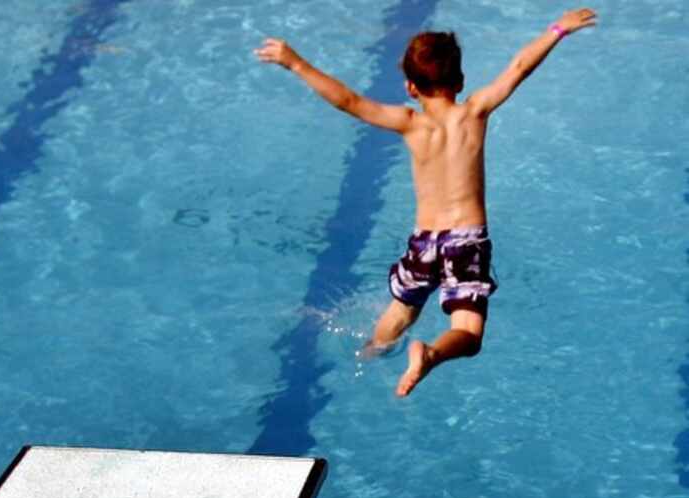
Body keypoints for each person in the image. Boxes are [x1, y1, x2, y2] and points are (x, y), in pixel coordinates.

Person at [255, 9, 597, 397]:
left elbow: (348, 100)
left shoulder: (408, 122)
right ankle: (430, 355)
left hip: (424, 241)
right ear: (461, 81)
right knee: (468, 334)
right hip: (467, 242)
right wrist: (557, 30)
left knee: (401, 311)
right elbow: (519, 67)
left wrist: (295, 61)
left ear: (410, 88)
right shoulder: (475, 110)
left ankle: (370, 353)